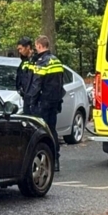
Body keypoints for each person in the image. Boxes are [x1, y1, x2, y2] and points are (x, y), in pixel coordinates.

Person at [25, 35, 64, 171]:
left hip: (42, 103)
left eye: (36, 46)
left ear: (40, 46)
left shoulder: (42, 62)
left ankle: (42, 160)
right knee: (52, 130)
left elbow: (37, 84)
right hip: (54, 102)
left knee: (40, 132)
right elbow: (60, 84)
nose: (35, 48)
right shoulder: (57, 61)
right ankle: (55, 160)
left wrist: (31, 102)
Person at [15, 37, 35, 107]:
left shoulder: (37, 60)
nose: (19, 51)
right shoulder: (24, 61)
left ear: (28, 47)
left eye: (21, 49)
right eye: (18, 49)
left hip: (34, 99)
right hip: (26, 97)